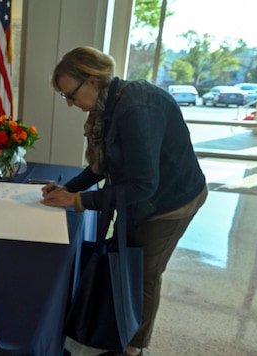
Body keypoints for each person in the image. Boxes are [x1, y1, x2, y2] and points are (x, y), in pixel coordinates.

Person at [41, 46, 207, 356]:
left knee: (144, 272)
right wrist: (69, 189)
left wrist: (79, 201)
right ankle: (121, 330)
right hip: (144, 198)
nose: (69, 103)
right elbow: (102, 166)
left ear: (92, 80)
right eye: (64, 97)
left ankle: (133, 350)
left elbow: (143, 185)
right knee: (126, 263)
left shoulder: (135, 108)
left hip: (172, 203)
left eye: (71, 95)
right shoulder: (109, 106)